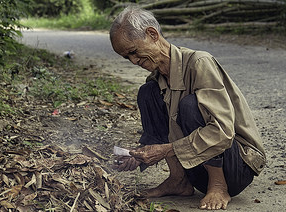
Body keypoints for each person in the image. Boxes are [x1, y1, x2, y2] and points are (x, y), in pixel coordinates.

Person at [109, 7, 266, 210]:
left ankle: (218, 185)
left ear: (152, 34)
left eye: (133, 51)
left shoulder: (199, 62)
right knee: (147, 93)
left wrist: (166, 149)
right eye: (126, 57)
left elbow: (223, 131)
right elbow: (163, 134)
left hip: (236, 168)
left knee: (190, 105)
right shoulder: (156, 79)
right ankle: (179, 180)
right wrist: (139, 156)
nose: (133, 61)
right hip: (195, 168)